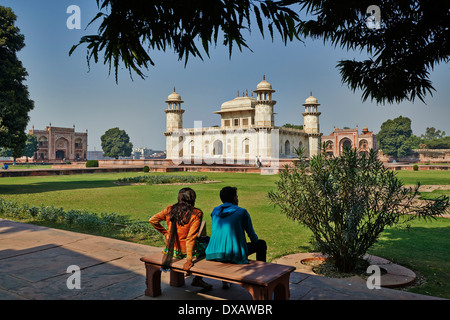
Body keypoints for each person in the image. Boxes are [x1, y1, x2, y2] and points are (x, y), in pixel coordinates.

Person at [149, 187, 212, 290]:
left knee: (204, 239)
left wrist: (165, 233)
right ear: (192, 199)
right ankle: (198, 279)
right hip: (186, 251)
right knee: (208, 244)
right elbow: (190, 239)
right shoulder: (196, 214)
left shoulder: (170, 209)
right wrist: (189, 261)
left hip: (172, 250)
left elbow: (153, 220)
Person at [205, 186, 267, 287]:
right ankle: (261, 275)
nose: (238, 199)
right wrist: (255, 241)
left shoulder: (215, 212)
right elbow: (252, 235)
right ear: (234, 198)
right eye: (237, 196)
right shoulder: (241, 212)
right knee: (261, 244)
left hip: (213, 253)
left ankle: (225, 281)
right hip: (233, 254)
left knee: (227, 242)